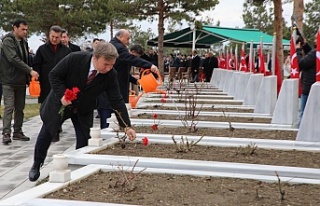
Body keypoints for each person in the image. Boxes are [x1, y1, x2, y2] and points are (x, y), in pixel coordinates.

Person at [28, 42, 137, 182]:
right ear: (96, 57)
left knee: (84, 138)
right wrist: (62, 95)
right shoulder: (74, 58)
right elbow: (54, 75)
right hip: (61, 102)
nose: (109, 68)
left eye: (112, 65)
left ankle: (78, 168)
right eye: (106, 64)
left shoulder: (110, 74)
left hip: (84, 107)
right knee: (47, 132)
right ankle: (37, 164)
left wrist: (126, 125)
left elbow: (116, 100)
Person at [0, 20, 39, 145]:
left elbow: (26, 59)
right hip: (8, 80)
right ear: (15, 28)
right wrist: (30, 70)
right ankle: (6, 133)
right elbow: (13, 59)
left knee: (20, 108)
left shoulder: (24, 42)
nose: (25, 32)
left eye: (26, 29)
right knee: (9, 107)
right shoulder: (7, 41)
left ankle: (18, 131)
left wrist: (28, 75)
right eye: (23, 29)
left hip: (21, 80)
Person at [33, 25, 71, 142]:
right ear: (49, 36)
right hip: (45, 83)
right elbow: (37, 65)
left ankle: (56, 129)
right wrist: (36, 77)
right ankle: (49, 129)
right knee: (47, 107)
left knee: (59, 107)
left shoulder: (66, 51)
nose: (54, 39)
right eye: (52, 37)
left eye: (57, 37)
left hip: (60, 84)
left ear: (61, 37)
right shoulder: (42, 50)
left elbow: (69, 68)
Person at [110, 29, 158, 103]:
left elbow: (123, 71)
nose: (128, 41)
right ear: (120, 36)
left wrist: (135, 81)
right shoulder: (118, 47)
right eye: (127, 38)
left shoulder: (116, 45)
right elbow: (132, 59)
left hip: (118, 84)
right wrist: (150, 65)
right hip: (115, 86)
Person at [296, 33, 317, 127]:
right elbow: (312, 55)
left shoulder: (315, 53)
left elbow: (300, 64)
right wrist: (305, 45)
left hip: (308, 88)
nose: (314, 40)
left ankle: (301, 132)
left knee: (303, 114)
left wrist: (298, 51)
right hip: (313, 87)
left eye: (316, 38)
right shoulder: (316, 53)